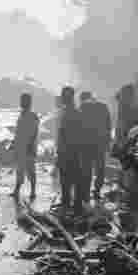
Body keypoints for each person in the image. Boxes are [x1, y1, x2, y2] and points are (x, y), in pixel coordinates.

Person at [55, 86, 87, 216]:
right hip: (73, 151)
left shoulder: (68, 113)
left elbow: (64, 135)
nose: (62, 98)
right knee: (74, 179)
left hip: (68, 152)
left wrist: (60, 152)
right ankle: (75, 206)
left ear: (65, 98)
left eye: (63, 96)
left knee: (67, 180)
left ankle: (69, 206)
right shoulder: (74, 112)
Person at [79, 91, 111, 200]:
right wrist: (107, 143)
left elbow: (78, 127)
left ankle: (86, 194)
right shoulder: (103, 107)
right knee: (100, 170)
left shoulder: (82, 108)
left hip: (86, 145)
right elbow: (108, 126)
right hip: (99, 144)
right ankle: (97, 191)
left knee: (87, 170)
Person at [11, 92, 40, 199]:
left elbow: (35, 133)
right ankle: (16, 190)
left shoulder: (33, 115)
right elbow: (18, 132)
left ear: (29, 102)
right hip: (20, 148)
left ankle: (33, 192)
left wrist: (31, 146)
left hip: (29, 148)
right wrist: (14, 143)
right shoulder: (21, 115)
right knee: (19, 170)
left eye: (24, 101)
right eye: (21, 101)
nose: (22, 103)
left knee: (31, 171)